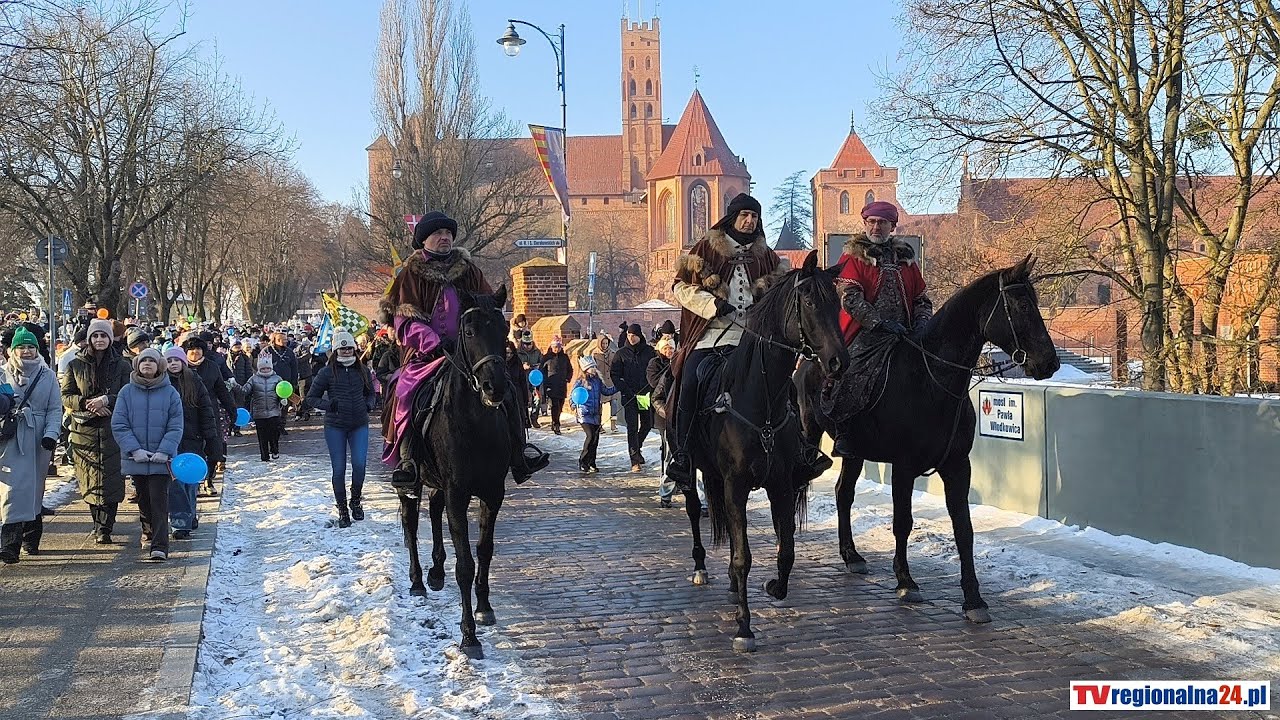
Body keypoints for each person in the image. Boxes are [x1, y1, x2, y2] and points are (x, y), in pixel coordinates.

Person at [665, 192, 831, 491]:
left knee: (786, 385)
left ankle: (801, 452)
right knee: (690, 381)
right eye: (744, 215)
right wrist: (713, 305)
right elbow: (680, 288)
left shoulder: (765, 256)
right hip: (711, 336)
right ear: (732, 217)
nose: (749, 220)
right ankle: (683, 455)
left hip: (753, 339)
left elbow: (781, 295)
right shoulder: (705, 250)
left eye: (754, 216)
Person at [378, 210, 548, 492]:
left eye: (448, 234)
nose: (444, 238)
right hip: (426, 355)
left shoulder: (468, 271)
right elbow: (404, 322)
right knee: (404, 391)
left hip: (470, 354)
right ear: (424, 240)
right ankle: (408, 461)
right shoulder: (410, 274)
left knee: (507, 387)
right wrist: (433, 342)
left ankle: (519, 453)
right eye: (438, 234)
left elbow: (489, 308)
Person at [829, 200, 934, 457]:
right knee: (851, 376)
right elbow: (850, 297)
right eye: (872, 222)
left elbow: (921, 298)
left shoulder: (905, 259)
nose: (877, 227)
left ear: (892, 226)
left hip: (905, 333)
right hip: (866, 335)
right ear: (865, 224)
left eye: (882, 223)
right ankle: (846, 433)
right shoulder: (853, 256)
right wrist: (879, 322)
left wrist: (921, 323)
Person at [62, 318, 132, 543]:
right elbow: (66, 395)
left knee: (112, 478)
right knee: (90, 478)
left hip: (113, 427)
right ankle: (96, 522)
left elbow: (127, 391)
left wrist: (106, 400)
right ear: (89, 339)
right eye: (95, 336)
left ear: (110, 339)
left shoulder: (122, 364)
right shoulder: (75, 364)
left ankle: (106, 527)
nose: (99, 340)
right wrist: (88, 404)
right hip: (85, 428)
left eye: (103, 336)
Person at [111, 348, 184, 562]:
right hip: (137, 458)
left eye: (152, 361)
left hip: (162, 460)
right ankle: (148, 531)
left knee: (159, 499)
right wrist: (134, 449)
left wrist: (164, 450)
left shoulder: (170, 393)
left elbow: (176, 424)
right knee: (143, 499)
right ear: (137, 365)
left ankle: (160, 545)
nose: (148, 364)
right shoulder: (126, 392)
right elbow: (119, 424)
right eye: (144, 361)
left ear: (159, 366)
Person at [301, 331, 376, 529]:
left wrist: (368, 404)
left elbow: (371, 393)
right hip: (336, 425)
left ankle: (355, 500)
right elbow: (311, 398)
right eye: (342, 348)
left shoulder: (362, 370)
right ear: (336, 350)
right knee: (339, 469)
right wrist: (329, 405)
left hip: (359, 423)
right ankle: (342, 509)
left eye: (349, 347)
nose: (346, 351)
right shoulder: (327, 372)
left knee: (359, 465)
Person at [0, 328, 62, 563]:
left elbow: (55, 408)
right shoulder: (3, 374)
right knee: (14, 488)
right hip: (11, 436)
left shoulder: (47, 376)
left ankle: (31, 536)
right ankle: (10, 544)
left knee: (34, 487)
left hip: (38, 439)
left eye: (30, 347)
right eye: (21, 347)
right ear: (12, 350)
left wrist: (51, 434)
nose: (26, 351)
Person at [162, 348, 221, 539]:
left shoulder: (194, 381)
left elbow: (206, 410)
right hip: (170, 440)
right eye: (168, 360)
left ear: (183, 362)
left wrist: (211, 437)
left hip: (192, 438)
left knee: (190, 482)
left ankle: (190, 514)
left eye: (176, 360)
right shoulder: (161, 383)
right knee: (175, 483)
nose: (172, 363)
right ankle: (180, 523)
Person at [183, 337, 234, 496]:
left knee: (213, 446)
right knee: (193, 447)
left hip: (210, 411)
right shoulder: (180, 366)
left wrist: (232, 409)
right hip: (188, 413)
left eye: (198, 349)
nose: (195, 352)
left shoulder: (211, 367)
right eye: (191, 349)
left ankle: (208, 479)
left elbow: (221, 390)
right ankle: (195, 480)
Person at [610, 323, 656, 472]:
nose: (631, 338)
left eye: (634, 335)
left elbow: (654, 370)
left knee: (647, 423)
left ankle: (638, 445)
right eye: (629, 335)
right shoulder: (621, 353)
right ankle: (634, 459)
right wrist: (624, 389)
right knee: (632, 427)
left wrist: (651, 387)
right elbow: (615, 375)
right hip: (629, 395)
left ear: (639, 335)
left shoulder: (649, 352)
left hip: (645, 394)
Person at [570, 356, 616, 472]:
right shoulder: (581, 381)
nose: (594, 369)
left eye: (594, 367)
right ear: (586, 369)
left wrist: (618, 387)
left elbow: (606, 391)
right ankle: (583, 461)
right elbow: (574, 394)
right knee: (590, 436)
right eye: (591, 367)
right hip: (584, 414)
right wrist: (573, 404)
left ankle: (592, 462)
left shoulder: (597, 380)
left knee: (595, 439)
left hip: (596, 413)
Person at [242, 355, 284, 461]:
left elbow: (283, 391)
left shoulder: (277, 378)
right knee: (262, 436)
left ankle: (275, 450)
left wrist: (283, 399)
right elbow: (245, 391)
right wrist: (235, 386)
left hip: (274, 412)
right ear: (259, 368)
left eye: (268, 368)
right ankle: (264, 456)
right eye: (263, 368)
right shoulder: (253, 379)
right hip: (259, 413)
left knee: (274, 433)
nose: (266, 370)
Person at [583, 332, 619, 433]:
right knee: (599, 405)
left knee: (614, 403)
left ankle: (613, 424)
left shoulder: (612, 354)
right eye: (603, 344)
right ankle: (599, 425)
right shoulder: (595, 354)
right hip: (600, 382)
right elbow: (591, 368)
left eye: (606, 343)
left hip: (611, 381)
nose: (605, 346)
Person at [540, 336, 572, 434]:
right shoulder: (547, 357)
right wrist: (545, 383)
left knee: (560, 405)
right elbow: (542, 371)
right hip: (551, 386)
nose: (556, 349)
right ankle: (556, 424)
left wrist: (568, 377)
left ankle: (556, 420)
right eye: (554, 347)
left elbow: (570, 369)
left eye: (558, 347)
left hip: (562, 385)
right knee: (555, 405)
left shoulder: (564, 357)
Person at [515, 330, 543, 428]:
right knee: (523, 400)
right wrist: (522, 366)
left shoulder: (537, 352)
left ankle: (534, 418)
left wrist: (538, 366)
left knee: (537, 399)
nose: (527, 346)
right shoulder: (517, 353)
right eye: (525, 344)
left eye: (529, 344)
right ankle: (524, 418)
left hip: (535, 380)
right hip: (522, 380)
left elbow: (542, 363)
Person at [503, 341, 530, 428]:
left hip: (517, 393)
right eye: (507, 353)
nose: (509, 355)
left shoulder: (517, 363)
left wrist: (525, 399)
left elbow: (522, 381)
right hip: (504, 393)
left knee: (518, 418)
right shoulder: (500, 363)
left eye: (511, 353)